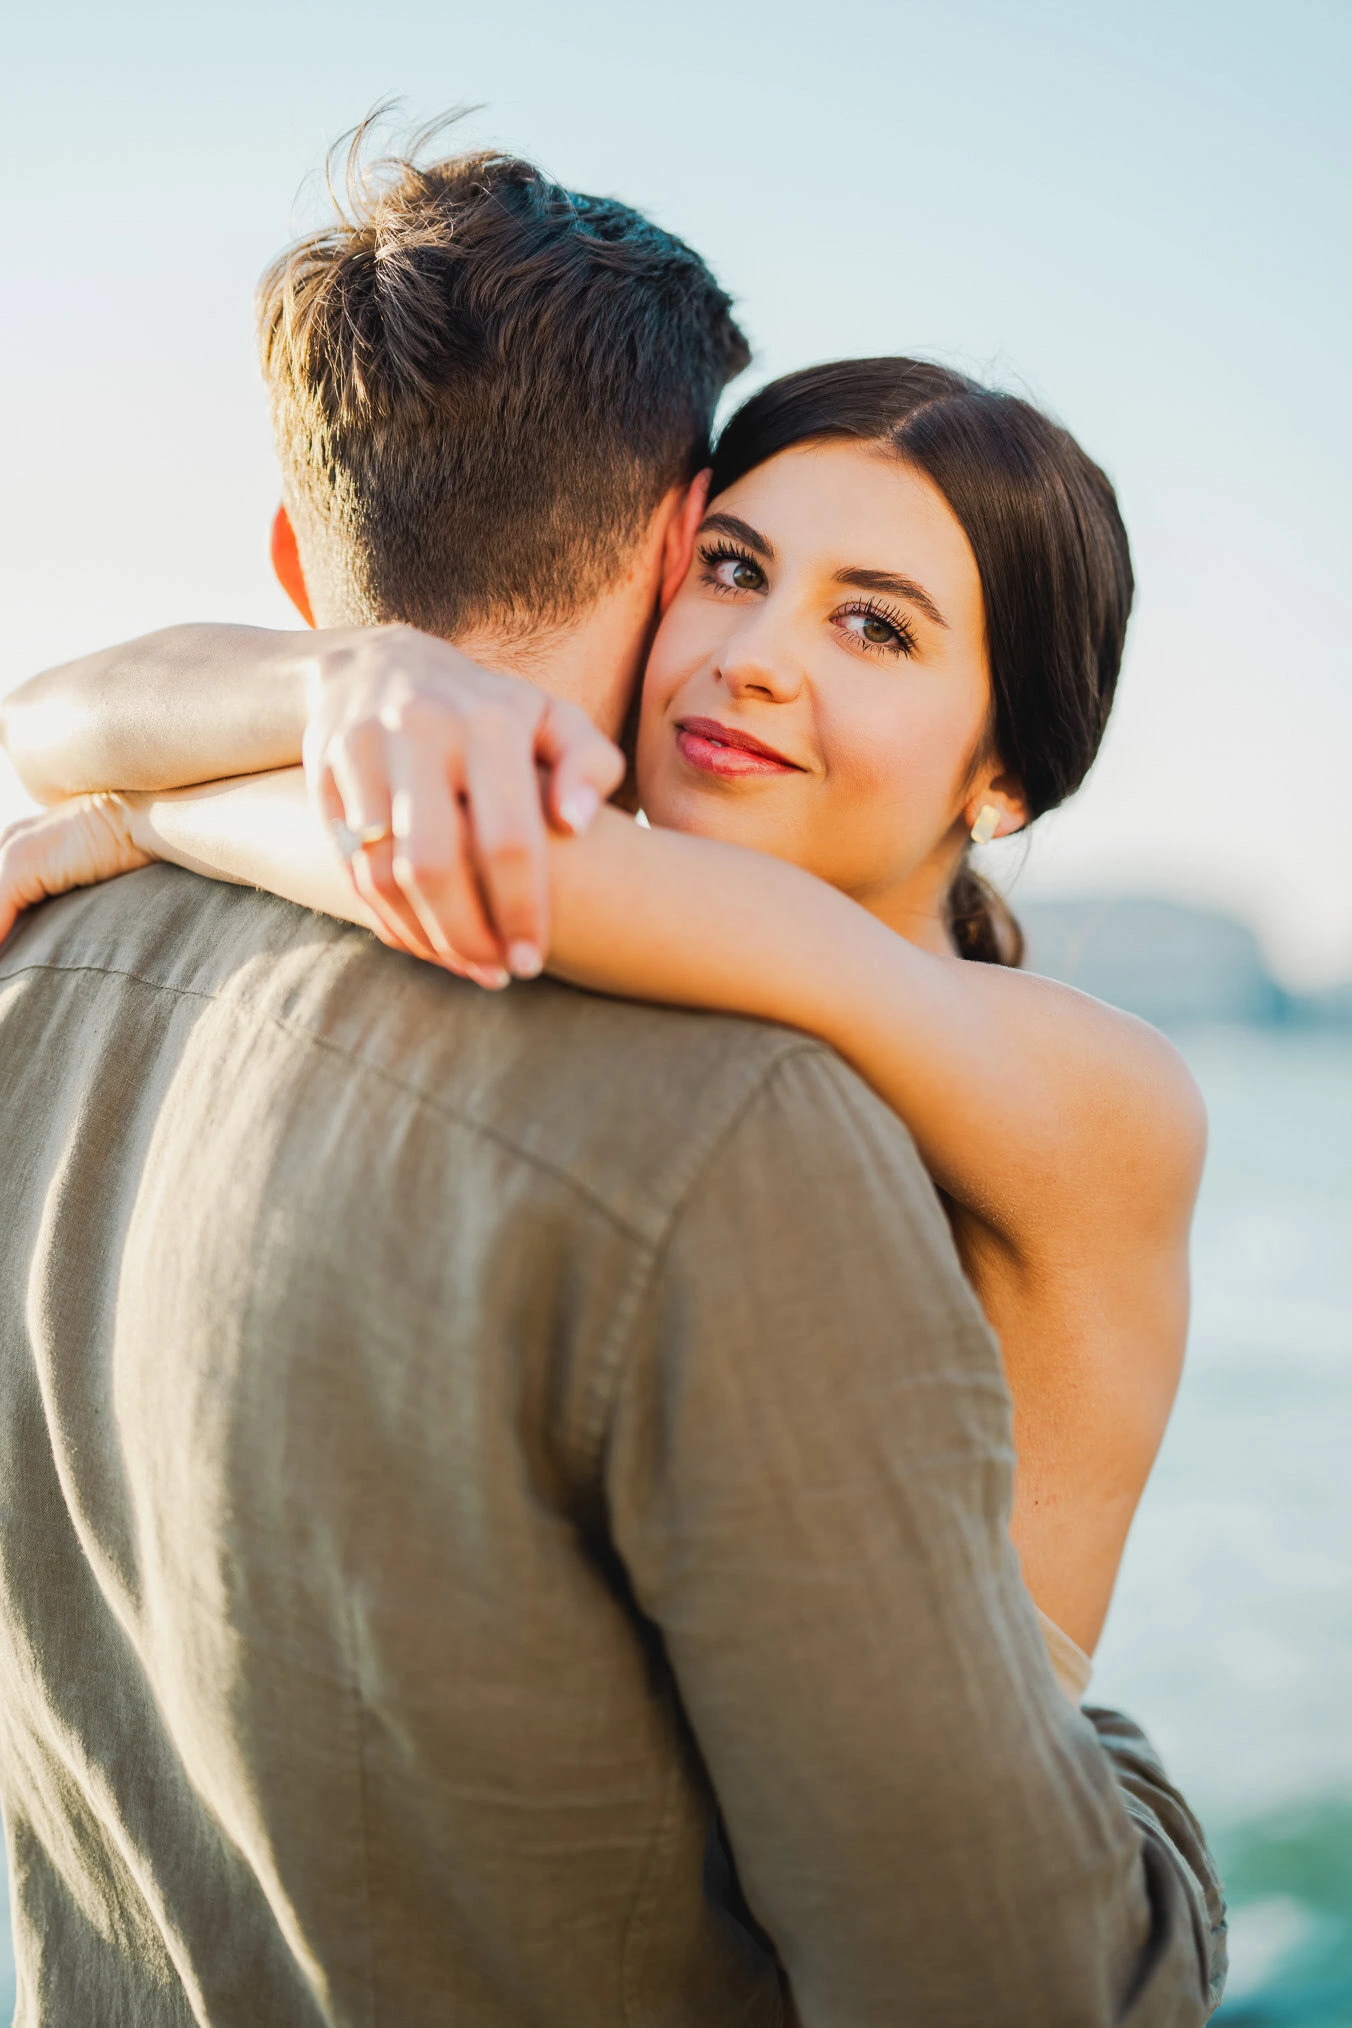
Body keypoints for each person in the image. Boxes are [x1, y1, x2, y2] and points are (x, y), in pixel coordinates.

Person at [0, 131, 1225, 2023]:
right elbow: (53, 712)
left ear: (1007, 779)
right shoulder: (710, 1002)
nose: (752, 658)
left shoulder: (1080, 1085)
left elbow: (483, 867)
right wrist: (322, 709)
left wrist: (164, 803)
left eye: (875, 625)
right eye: (733, 568)